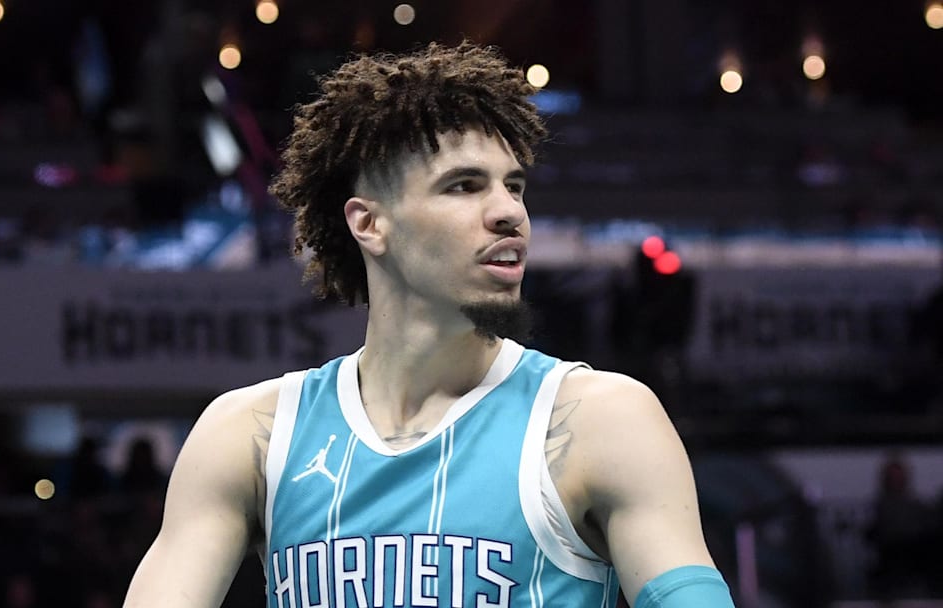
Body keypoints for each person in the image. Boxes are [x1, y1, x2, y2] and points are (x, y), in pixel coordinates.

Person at [123, 41, 735, 608]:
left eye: (514, 186)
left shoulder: (603, 419)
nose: (509, 213)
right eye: (464, 186)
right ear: (370, 225)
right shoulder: (249, 436)